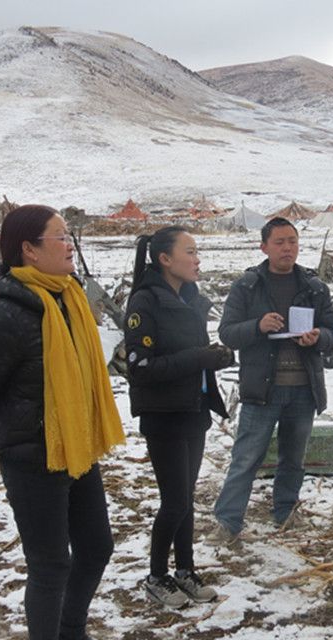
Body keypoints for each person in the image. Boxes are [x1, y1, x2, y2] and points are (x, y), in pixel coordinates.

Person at [0, 204, 125, 640]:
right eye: (59, 237)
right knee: (50, 563)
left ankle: (71, 635)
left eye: (68, 235)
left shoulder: (68, 297)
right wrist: (4, 436)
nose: (69, 244)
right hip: (33, 457)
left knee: (96, 546)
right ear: (28, 250)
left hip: (76, 445)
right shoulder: (7, 312)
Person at [210, 217, 333, 543]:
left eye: (292, 241)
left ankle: (285, 512)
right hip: (262, 389)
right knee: (246, 459)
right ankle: (228, 522)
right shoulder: (247, 286)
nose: (287, 248)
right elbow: (227, 333)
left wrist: (318, 338)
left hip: (304, 389)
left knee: (294, 459)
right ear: (264, 247)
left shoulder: (314, 287)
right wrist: (258, 326)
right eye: (280, 242)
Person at [123, 226, 235, 608]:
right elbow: (140, 368)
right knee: (174, 502)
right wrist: (199, 358)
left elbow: (191, 354)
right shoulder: (144, 302)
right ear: (165, 259)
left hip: (193, 409)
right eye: (190, 251)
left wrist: (216, 357)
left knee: (185, 499)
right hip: (163, 415)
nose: (197, 259)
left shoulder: (190, 297)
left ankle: (185, 570)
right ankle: (157, 577)